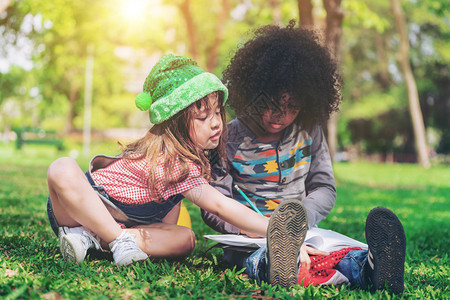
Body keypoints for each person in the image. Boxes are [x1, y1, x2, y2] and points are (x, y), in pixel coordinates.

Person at [201, 21, 406, 294]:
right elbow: (214, 204)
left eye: (292, 107)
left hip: (305, 232)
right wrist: (247, 228)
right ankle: (276, 264)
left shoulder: (310, 131)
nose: (280, 115)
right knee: (251, 258)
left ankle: (371, 267)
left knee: (337, 253)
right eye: (273, 105)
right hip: (248, 237)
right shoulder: (227, 138)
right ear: (253, 94)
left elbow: (324, 187)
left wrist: (299, 221)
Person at [46, 53, 272, 267]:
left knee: (185, 238)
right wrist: (274, 229)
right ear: (176, 124)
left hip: (123, 223)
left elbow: (165, 226)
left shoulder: (190, 161)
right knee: (61, 167)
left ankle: (93, 239)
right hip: (75, 208)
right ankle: (115, 239)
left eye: (217, 112)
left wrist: (251, 228)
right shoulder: (174, 160)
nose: (215, 123)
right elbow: (220, 205)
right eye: (203, 116)